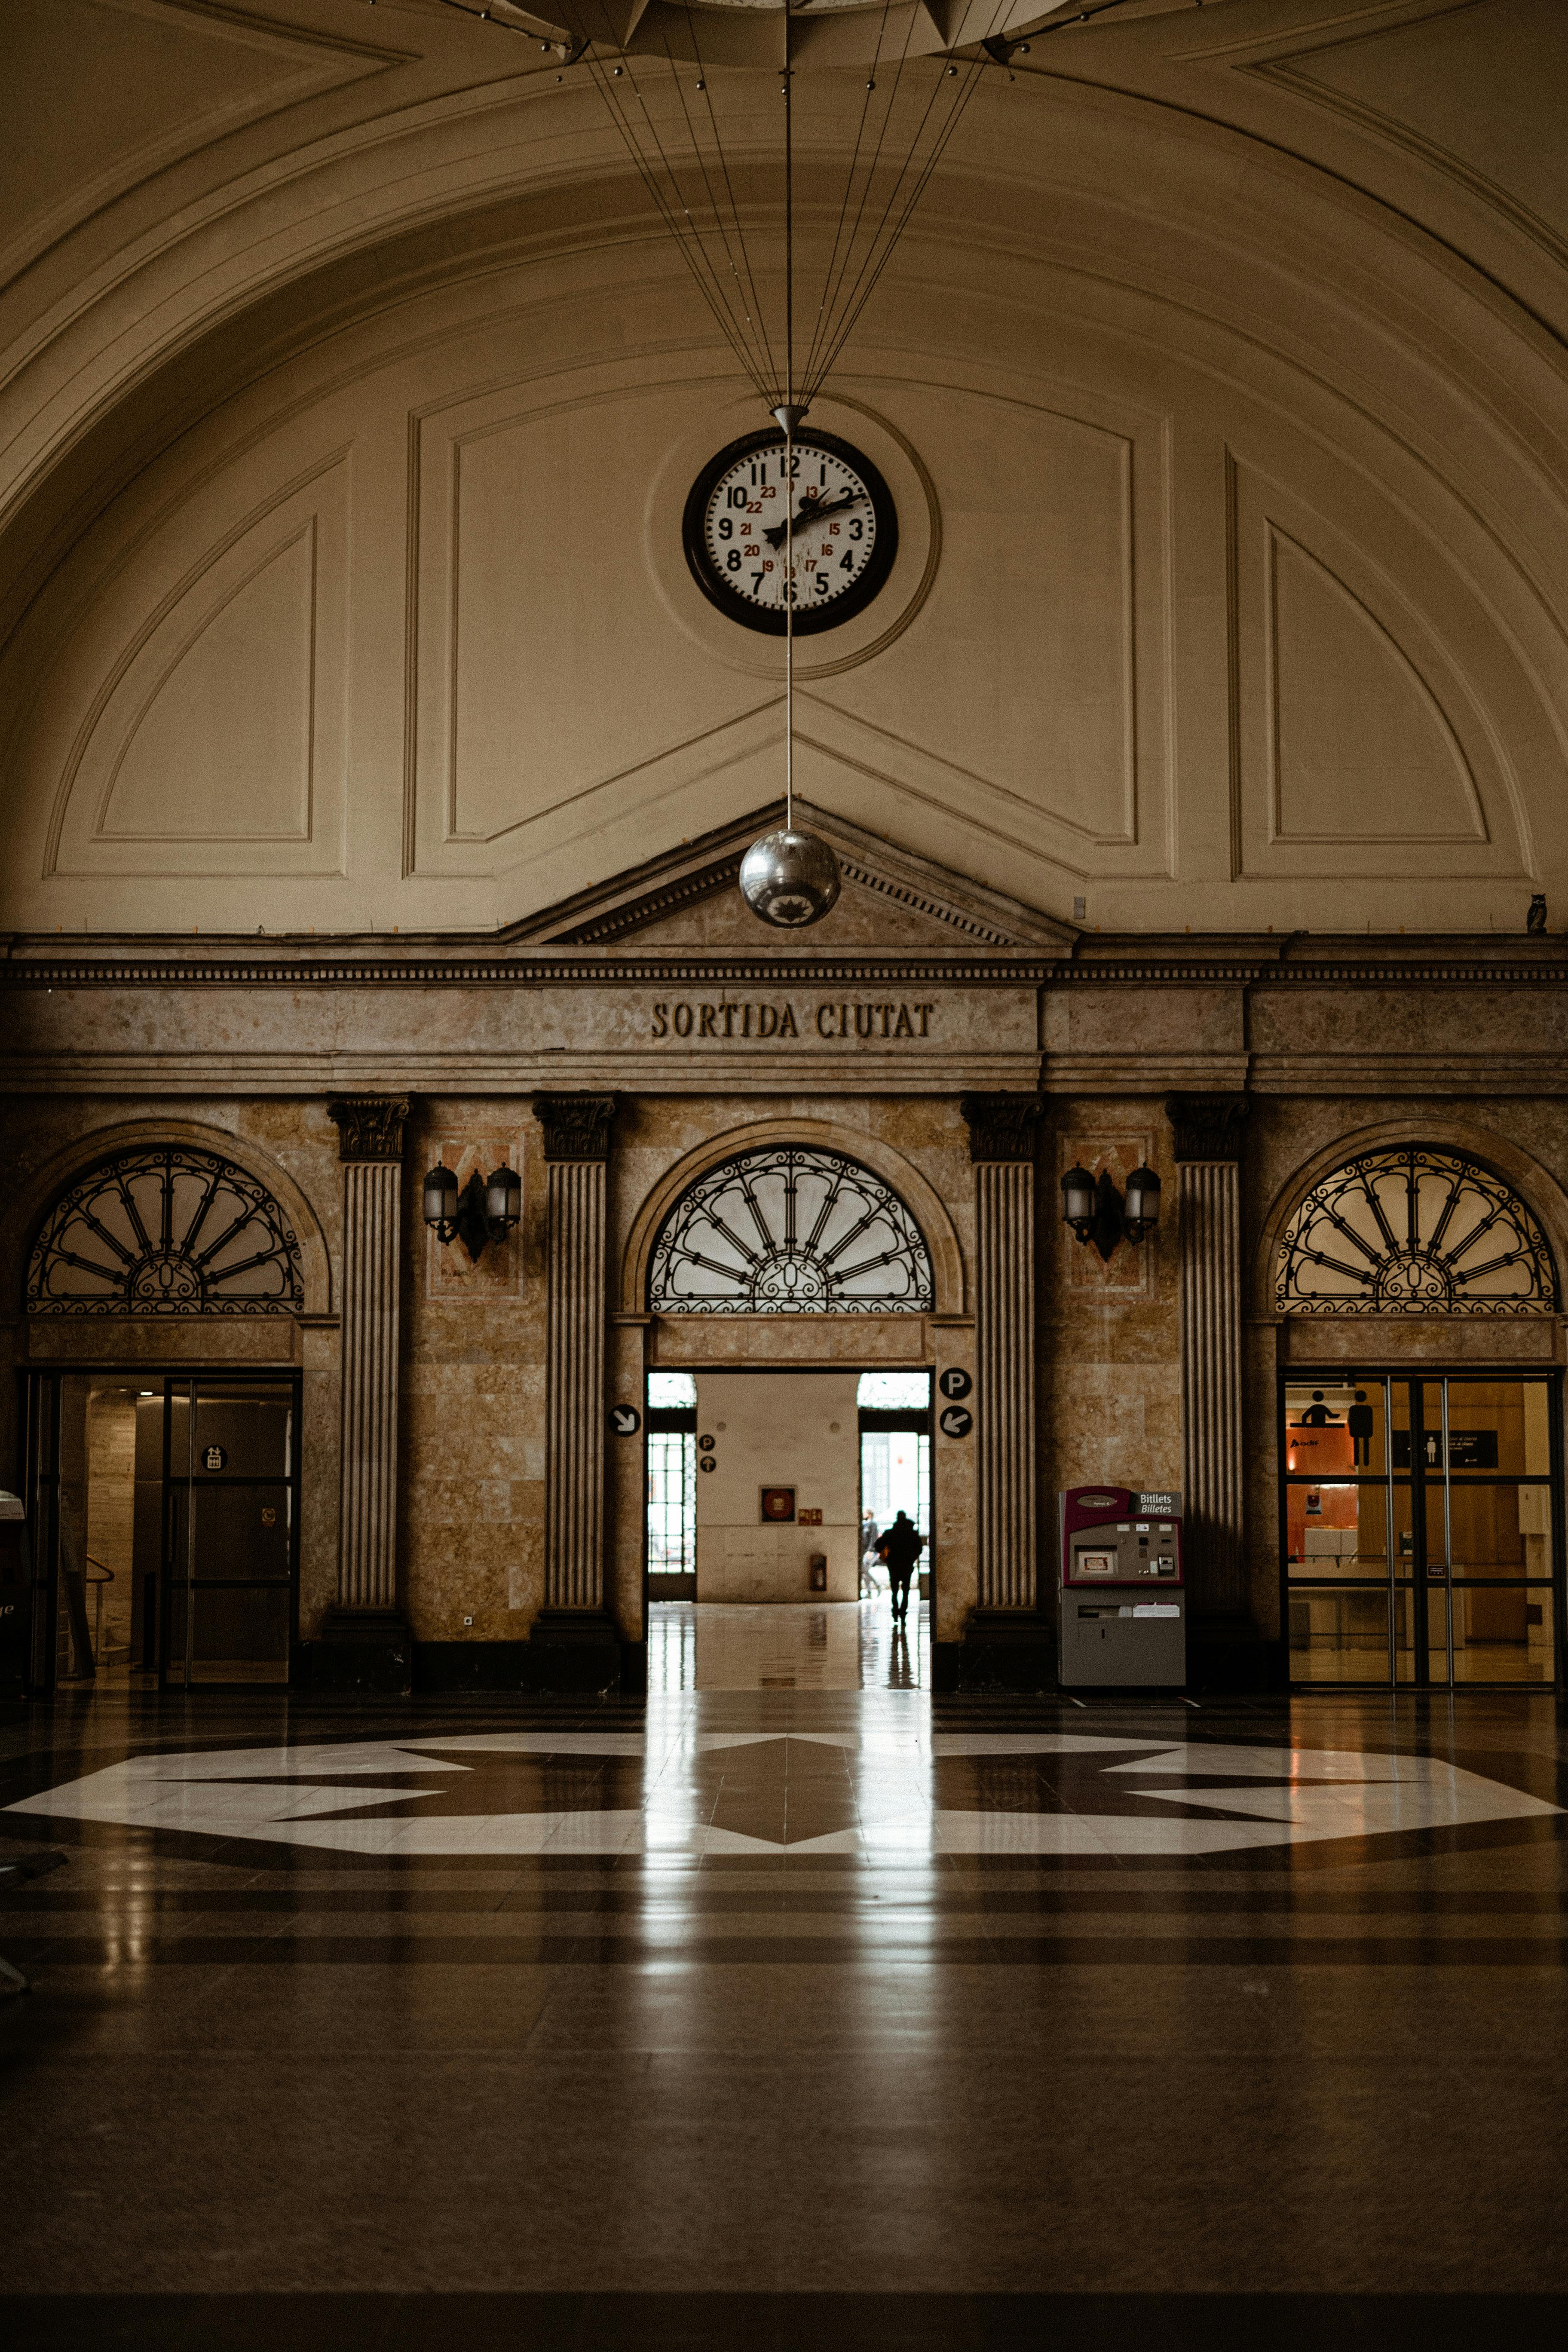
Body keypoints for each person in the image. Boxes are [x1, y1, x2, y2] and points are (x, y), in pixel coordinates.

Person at [877, 1511, 925, 1625]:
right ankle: (903, 1613)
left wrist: (887, 1555)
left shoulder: (890, 1533)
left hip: (893, 1565)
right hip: (907, 1565)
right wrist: (912, 1557)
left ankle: (895, 1612)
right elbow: (919, 1549)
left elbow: (878, 1545)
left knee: (894, 1591)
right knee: (906, 1591)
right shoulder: (912, 1533)